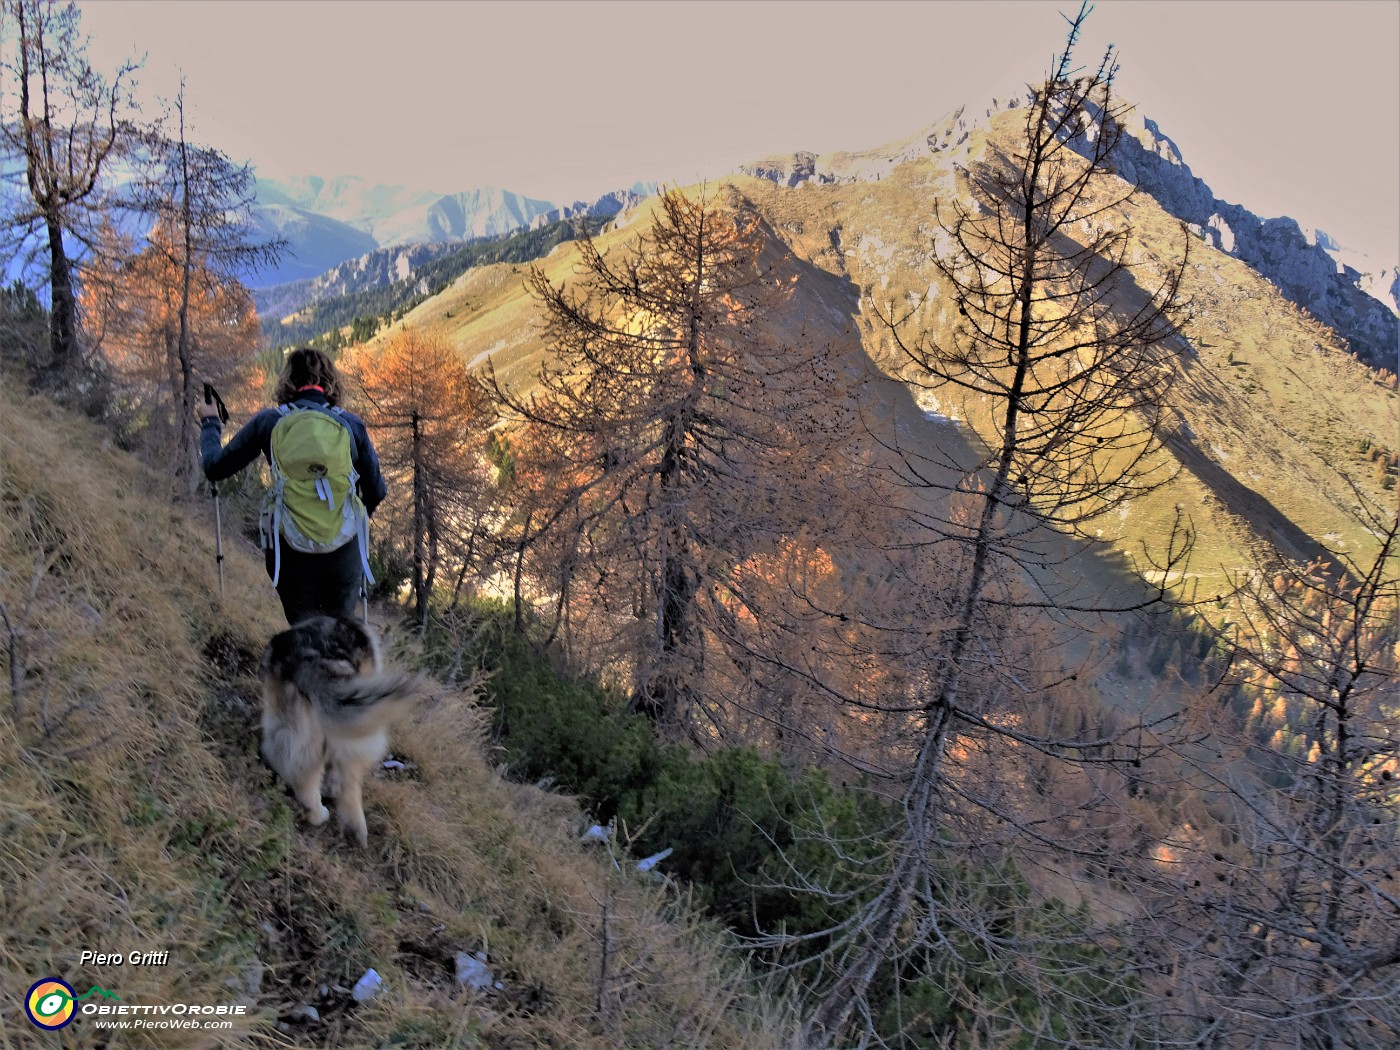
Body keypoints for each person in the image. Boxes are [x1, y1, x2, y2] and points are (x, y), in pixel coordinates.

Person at [197, 348, 386, 625]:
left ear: (288, 381)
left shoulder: (270, 422)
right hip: (344, 551)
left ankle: (305, 663)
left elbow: (214, 467)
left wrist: (211, 422)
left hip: (290, 549)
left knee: (303, 630)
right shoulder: (350, 424)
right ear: (330, 382)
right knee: (340, 632)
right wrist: (348, 522)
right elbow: (377, 491)